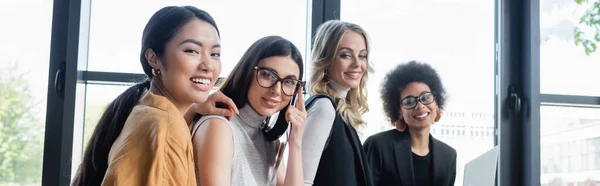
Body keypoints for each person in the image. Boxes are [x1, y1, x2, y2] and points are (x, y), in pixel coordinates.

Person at [71, 6, 239, 186]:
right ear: (153, 58)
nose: (208, 66)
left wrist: (192, 109)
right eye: (192, 51)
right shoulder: (164, 128)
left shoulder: (143, 108)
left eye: (215, 54)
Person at [191, 35, 306, 186]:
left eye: (289, 82)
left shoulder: (270, 142)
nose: (277, 90)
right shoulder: (219, 127)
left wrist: (296, 142)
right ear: (247, 72)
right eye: (267, 75)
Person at [302, 20, 374, 186]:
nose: (357, 64)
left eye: (362, 55)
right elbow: (302, 181)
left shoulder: (342, 112)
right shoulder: (323, 109)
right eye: (346, 55)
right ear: (325, 60)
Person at [363, 61, 457, 186]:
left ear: (436, 103)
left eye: (426, 98)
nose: (420, 106)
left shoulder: (448, 155)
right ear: (399, 111)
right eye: (409, 102)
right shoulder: (378, 146)